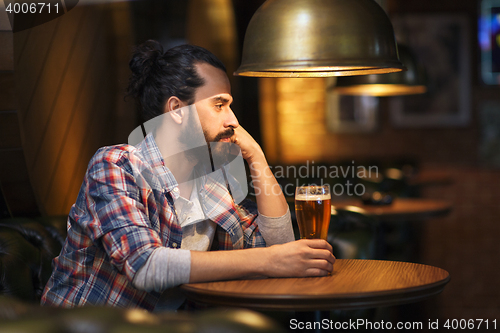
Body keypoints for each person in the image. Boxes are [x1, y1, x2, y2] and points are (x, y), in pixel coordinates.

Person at [41, 41, 335, 311]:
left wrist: (257, 155)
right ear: (177, 109)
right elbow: (146, 266)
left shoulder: (211, 183)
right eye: (219, 105)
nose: (233, 120)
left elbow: (278, 249)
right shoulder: (117, 165)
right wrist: (271, 261)